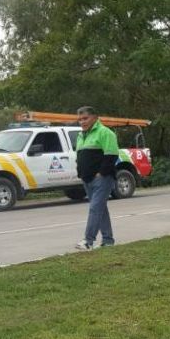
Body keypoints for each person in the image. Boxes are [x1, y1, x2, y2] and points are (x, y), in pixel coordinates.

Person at [75, 106, 119, 250]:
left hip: (102, 178)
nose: (82, 122)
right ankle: (108, 240)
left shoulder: (105, 133)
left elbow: (111, 155)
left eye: (85, 118)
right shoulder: (81, 135)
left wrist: (101, 173)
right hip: (87, 179)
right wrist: (80, 173)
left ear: (95, 117)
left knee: (95, 209)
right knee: (100, 209)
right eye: (80, 119)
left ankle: (88, 241)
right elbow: (79, 157)